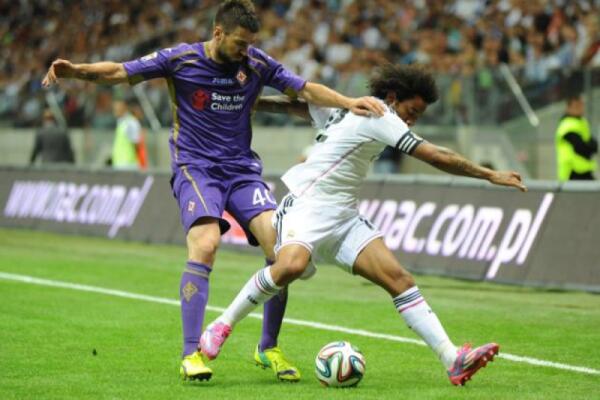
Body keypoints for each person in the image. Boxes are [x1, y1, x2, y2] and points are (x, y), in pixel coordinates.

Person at [42, 0, 384, 382]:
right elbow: (120, 71)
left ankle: (267, 347)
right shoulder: (180, 59)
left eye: (250, 44)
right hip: (196, 168)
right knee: (205, 245)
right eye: (240, 43)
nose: (245, 51)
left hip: (242, 170)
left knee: (282, 250)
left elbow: (304, 89)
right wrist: (76, 71)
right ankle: (191, 353)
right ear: (218, 33)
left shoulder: (255, 63)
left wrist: (348, 102)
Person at [199, 64, 527, 386]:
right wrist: (489, 174)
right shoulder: (381, 115)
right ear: (393, 97)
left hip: (344, 217)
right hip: (307, 207)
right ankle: (222, 324)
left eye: (418, 115)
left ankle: (451, 358)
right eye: (412, 111)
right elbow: (435, 156)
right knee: (290, 267)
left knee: (399, 279)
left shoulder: (351, 108)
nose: (412, 120)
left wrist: (253, 102)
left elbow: (294, 107)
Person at [556, 95, 597, 181]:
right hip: (571, 173)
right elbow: (582, 148)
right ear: (568, 108)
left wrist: (591, 146)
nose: (580, 108)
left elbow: (593, 144)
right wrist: (591, 146)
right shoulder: (566, 125)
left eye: (581, 105)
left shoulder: (582, 122)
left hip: (584, 171)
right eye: (576, 106)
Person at [111, 99, 145, 170]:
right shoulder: (121, 122)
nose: (115, 110)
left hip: (128, 164)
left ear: (124, 107)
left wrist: (141, 163)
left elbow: (137, 143)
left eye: (118, 107)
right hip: (119, 163)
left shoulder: (130, 123)